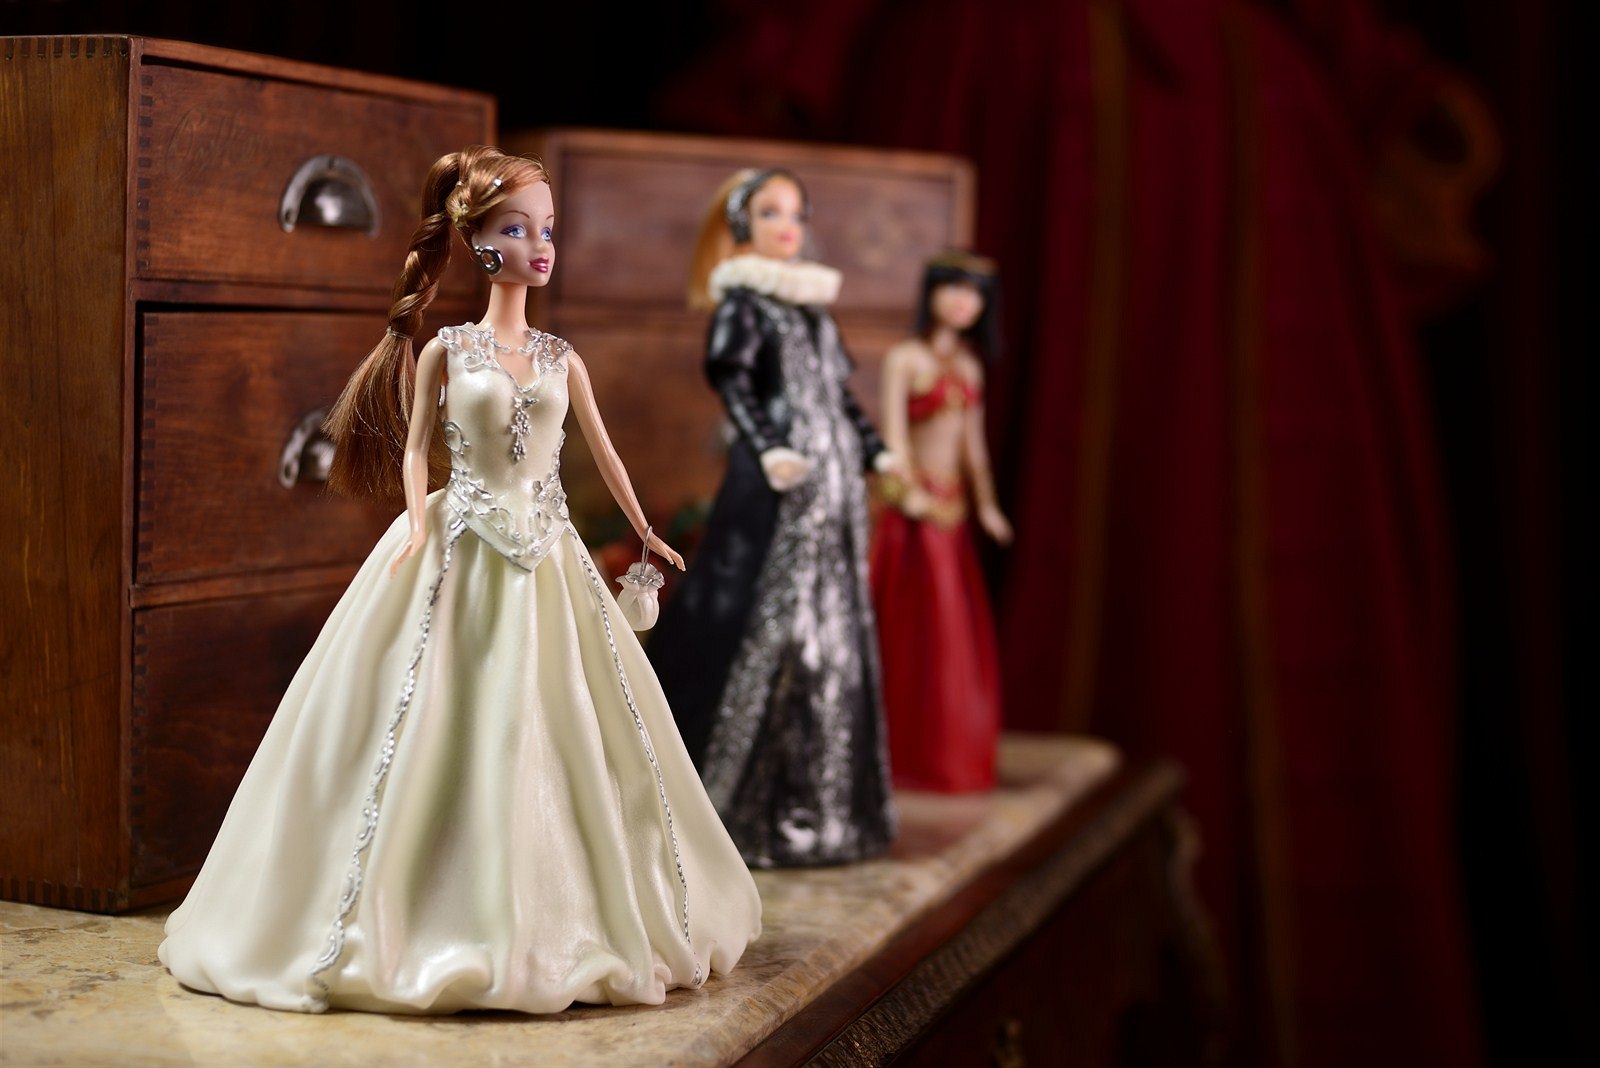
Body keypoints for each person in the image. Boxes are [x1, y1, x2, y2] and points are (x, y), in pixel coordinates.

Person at [158, 145, 760, 1015]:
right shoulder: (447, 350)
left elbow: (604, 455)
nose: (539, 247)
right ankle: (408, 917)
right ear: (478, 242)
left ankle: (564, 919)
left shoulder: (562, 358)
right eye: (517, 229)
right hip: (461, 538)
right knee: (430, 709)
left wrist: (643, 530)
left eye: (546, 229)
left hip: (546, 550)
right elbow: (415, 451)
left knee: (566, 719)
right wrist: (414, 522)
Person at [648, 168, 896, 867]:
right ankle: (739, 801)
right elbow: (734, 384)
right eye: (770, 212)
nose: (787, 226)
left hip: (833, 494)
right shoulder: (745, 305)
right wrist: (770, 447)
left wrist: (874, 447)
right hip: (778, 489)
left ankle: (828, 806)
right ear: (743, 226)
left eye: (795, 213)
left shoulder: (813, 310)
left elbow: (840, 397)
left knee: (832, 628)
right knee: (760, 622)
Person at [871, 251, 1011, 792]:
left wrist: (988, 505)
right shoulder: (905, 358)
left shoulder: (970, 367)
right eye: (953, 288)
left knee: (952, 634)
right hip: (915, 512)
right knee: (916, 629)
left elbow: (974, 449)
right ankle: (903, 754)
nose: (963, 302)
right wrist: (908, 495)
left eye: (975, 294)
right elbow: (894, 438)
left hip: (952, 512)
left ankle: (947, 752)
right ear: (931, 291)